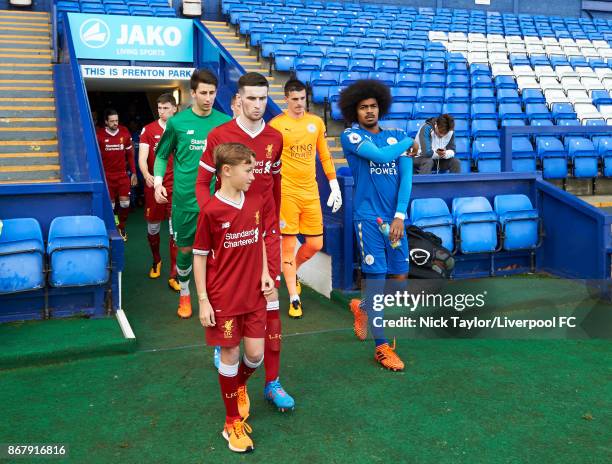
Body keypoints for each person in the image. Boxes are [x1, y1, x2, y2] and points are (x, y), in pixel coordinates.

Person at [196, 72, 295, 412]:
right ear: (237, 99)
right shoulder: (220, 135)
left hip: (265, 235)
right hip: (231, 238)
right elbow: (201, 182)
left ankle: (272, 381)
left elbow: (275, 185)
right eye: (251, 98)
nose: (257, 105)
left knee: (272, 310)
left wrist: (276, 224)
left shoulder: (274, 137)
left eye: (263, 98)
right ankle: (227, 355)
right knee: (232, 304)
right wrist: (210, 210)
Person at [193, 142, 276, 453]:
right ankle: (231, 424)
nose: (253, 175)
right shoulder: (211, 211)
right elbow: (200, 257)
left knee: (255, 355)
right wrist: (203, 300)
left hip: (254, 293)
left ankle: (238, 385)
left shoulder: (254, 200)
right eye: (248, 169)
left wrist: (266, 272)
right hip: (223, 298)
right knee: (229, 355)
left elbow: (261, 240)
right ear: (226, 170)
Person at [338, 79, 414, 371]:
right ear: (354, 112)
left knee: (399, 278)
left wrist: (400, 215)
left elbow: (406, 178)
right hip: (368, 219)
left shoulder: (396, 134)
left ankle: (364, 307)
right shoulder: (352, 137)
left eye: (373, 106)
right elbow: (382, 156)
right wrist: (411, 142)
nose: (369, 111)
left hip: (394, 220)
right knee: (377, 279)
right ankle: (381, 347)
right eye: (362, 107)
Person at [153, 69, 231, 319]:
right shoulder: (177, 123)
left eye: (212, 93)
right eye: (203, 93)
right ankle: (184, 292)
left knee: (219, 252)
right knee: (185, 251)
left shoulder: (224, 122)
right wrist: (157, 182)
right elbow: (162, 155)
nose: (208, 98)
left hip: (217, 202)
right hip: (185, 201)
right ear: (193, 93)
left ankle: (214, 298)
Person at [269, 79, 342, 318]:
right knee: (288, 246)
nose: (300, 103)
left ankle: (292, 271)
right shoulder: (276, 125)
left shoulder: (316, 122)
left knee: (315, 245)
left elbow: (324, 154)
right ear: (286, 99)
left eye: (303, 99)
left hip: (310, 192)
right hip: (287, 193)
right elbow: (269, 160)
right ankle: (294, 297)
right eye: (295, 99)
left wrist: (333, 184)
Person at [138, 93, 180, 291]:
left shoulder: (182, 127)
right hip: (155, 185)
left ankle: (174, 273)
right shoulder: (149, 129)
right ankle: (156, 259)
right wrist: (147, 174)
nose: (161, 111)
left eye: (165, 108)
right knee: (153, 227)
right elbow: (142, 157)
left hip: (177, 187)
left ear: (174, 108)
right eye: (159, 108)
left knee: (175, 231)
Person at [96, 109, 137, 241]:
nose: (115, 123)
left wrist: (134, 173)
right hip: (107, 176)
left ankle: (121, 225)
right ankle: (113, 224)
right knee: (111, 205)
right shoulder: (99, 135)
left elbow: (130, 156)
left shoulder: (124, 132)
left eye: (117, 120)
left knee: (125, 204)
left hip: (122, 175)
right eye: (112, 121)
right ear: (106, 122)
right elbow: (95, 157)